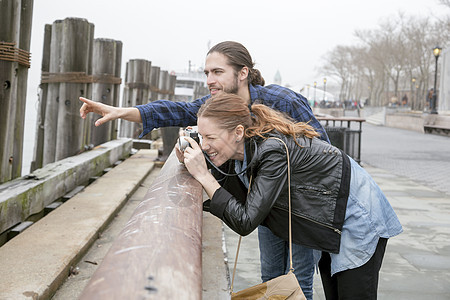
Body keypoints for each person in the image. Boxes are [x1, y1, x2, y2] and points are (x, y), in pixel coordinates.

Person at [80, 41, 330, 298]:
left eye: (217, 72)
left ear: (242, 73)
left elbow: (324, 155)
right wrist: (121, 112)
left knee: (299, 283)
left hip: (302, 207)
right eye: (207, 73)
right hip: (267, 204)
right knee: (271, 280)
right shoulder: (219, 105)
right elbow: (176, 110)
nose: (209, 80)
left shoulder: (283, 101)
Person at [180, 93, 403, 299]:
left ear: (238, 132)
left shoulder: (271, 150)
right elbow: (232, 194)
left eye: (210, 137)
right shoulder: (240, 150)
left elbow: (245, 221)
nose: (205, 145)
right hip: (330, 214)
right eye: (201, 137)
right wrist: (193, 159)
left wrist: (203, 175)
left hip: (356, 214)